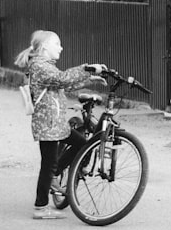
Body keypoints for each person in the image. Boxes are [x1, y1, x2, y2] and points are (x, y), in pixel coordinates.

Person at [15, 30, 106, 219]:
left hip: (54, 123)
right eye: (57, 44)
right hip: (48, 124)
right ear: (45, 47)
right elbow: (63, 78)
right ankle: (40, 207)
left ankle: (55, 176)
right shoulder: (40, 66)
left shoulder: (45, 66)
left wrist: (89, 79)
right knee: (48, 164)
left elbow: (63, 84)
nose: (61, 48)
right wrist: (87, 68)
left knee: (81, 144)